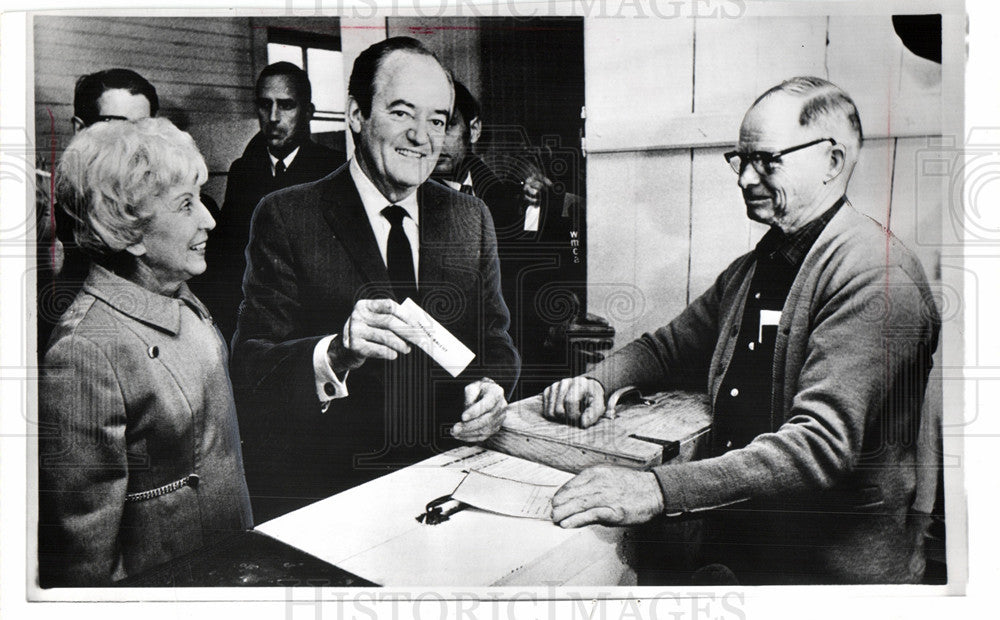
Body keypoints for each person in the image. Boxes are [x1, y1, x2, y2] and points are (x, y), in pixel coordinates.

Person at [541, 77, 940, 584]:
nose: (745, 178)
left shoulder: (876, 277)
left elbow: (817, 448)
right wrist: (596, 381)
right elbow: (667, 347)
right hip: (749, 554)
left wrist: (658, 490)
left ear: (832, 163)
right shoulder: (759, 266)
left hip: (830, 582)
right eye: (740, 159)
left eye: (766, 161)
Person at [230, 37, 520, 522]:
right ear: (357, 115)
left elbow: (496, 340)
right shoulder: (286, 215)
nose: (422, 137)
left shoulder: (472, 218)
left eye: (437, 120)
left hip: (451, 481)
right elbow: (250, 366)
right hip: (336, 495)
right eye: (402, 113)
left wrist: (493, 388)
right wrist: (335, 352)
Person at [38, 118, 252, 586]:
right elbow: (84, 558)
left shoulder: (179, 295)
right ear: (129, 231)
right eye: (186, 205)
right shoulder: (84, 352)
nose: (209, 219)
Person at [196, 62, 345, 341]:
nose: (273, 116)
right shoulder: (243, 171)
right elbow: (228, 253)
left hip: (310, 327)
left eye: (286, 105)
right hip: (251, 322)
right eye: (265, 105)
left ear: (308, 112)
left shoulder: (334, 171)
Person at [38, 69, 159, 352]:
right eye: (117, 127)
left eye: (143, 128)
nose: (134, 144)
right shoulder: (49, 228)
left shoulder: (166, 216)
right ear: (80, 129)